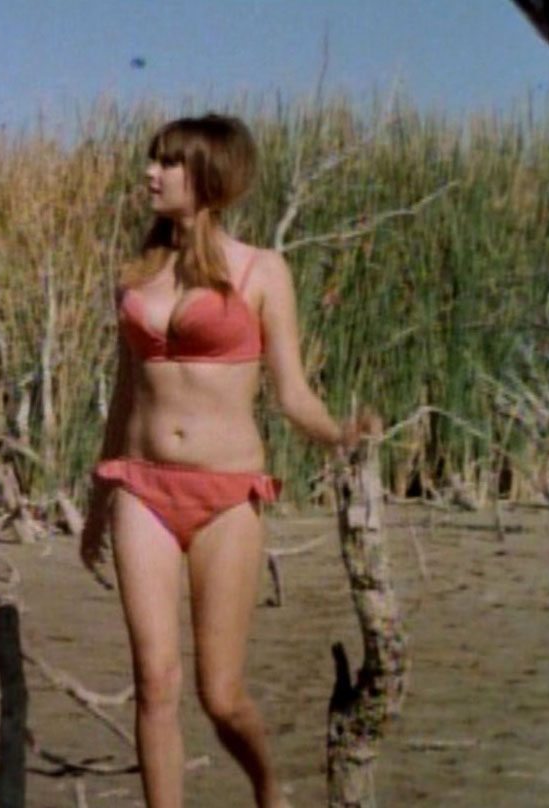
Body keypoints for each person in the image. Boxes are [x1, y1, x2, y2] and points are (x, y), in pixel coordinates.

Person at [80, 113, 357, 808]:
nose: (151, 173)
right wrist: (96, 504)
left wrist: (344, 436)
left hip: (227, 496)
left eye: (168, 163)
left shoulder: (263, 271)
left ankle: (267, 787)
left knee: (221, 694)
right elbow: (124, 396)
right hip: (141, 488)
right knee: (155, 683)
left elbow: (292, 394)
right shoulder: (136, 278)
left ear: (210, 176)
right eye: (152, 160)